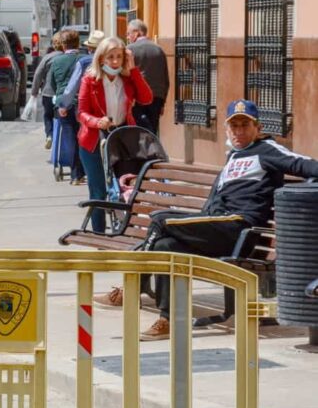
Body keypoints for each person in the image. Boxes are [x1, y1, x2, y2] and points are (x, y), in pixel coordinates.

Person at [97, 100, 318, 341]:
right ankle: (168, 319)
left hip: (237, 227)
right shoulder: (235, 155)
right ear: (226, 129)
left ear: (258, 127)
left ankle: (131, 290)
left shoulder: (266, 150)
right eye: (234, 126)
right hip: (216, 225)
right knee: (164, 247)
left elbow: (304, 164)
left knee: (160, 220)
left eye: (245, 125)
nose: (239, 131)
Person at [76, 37, 153, 233]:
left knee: (125, 188)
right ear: (101, 58)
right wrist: (97, 122)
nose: (115, 62)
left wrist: (133, 69)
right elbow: (81, 112)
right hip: (94, 140)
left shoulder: (127, 79)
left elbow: (146, 98)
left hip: (121, 139)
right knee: (99, 191)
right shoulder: (89, 80)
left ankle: (124, 231)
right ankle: (99, 235)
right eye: (111, 57)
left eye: (119, 57)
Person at [47, 29, 85, 184]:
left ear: (63, 45)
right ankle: (81, 171)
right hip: (82, 102)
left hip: (64, 104)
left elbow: (52, 83)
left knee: (70, 139)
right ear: (78, 43)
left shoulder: (56, 61)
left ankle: (76, 174)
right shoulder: (85, 59)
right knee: (84, 138)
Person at [126, 19, 169, 135]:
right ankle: (151, 152)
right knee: (152, 131)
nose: (128, 37)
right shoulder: (159, 50)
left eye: (129, 33)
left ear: (136, 33)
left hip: (137, 98)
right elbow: (165, 78)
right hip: (157, 97)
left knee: (138, 131)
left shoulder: (130, 50)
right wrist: (163, 102)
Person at [57, 29, 105, 113]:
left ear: (89, 48)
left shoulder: (84, 62)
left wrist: (64, 105)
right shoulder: (113, 61)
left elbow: (73, 85)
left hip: (89, 105)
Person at [31, 32, 63, 149]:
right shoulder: (66, 57)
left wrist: (34, 92)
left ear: (54, 44)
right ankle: (61, 139)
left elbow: (38, 75)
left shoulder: (48, 58)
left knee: (48, 116)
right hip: (62, 94)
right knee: (61, 117)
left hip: (48, 93)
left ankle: (49, 135)